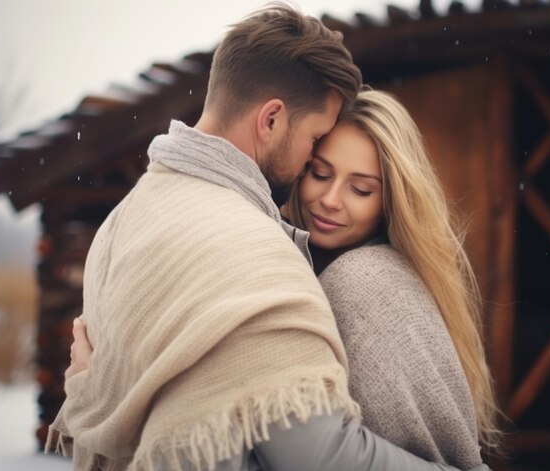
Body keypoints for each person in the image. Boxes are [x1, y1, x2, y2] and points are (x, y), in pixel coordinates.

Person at [47, 4, 492, 471]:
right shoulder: (250, 249)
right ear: (272, 120)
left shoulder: (122, 222)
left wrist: (91, 386)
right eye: (316, 148)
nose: (318, 182)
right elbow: (317, 455)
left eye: (361, 188)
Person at [283, 89, 503, 467]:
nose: (331, 199)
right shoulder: (293, 263)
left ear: (390, 202)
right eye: (320, 173)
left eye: (361, 189)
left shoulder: (366, 281)